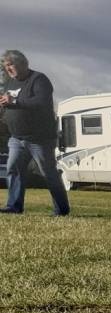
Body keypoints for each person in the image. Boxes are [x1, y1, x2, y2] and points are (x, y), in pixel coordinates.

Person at [0, 50, 70, 216]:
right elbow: (9, 104)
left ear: (24, 64)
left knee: (48, 173)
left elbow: (41, 102)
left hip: (40, 139)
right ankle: (14, 206)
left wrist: (14, 101)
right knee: (14, 169)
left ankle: (61, 210)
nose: (8, 69)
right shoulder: (10, 83)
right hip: (17, 138)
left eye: (11, 65)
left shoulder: (39, 80)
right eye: (5, 66)